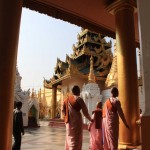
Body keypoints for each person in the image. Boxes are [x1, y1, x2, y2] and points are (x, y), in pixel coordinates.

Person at [62, 85, 92, 150]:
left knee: (70, 139)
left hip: (68, 123)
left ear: (72, 91)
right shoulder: (79, 99)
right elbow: (85, 112)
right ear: (78, 91)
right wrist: (90, 119)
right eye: (79, 90)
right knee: (76, 140)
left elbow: (62, 110)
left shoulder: (66, 100)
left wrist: (66, 120)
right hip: (77, 123)